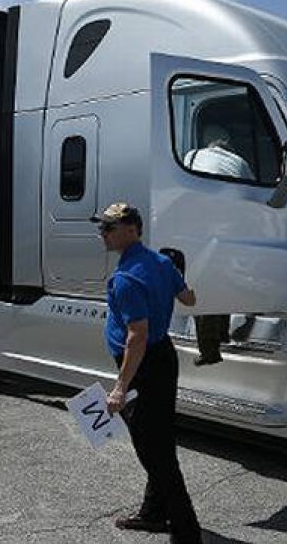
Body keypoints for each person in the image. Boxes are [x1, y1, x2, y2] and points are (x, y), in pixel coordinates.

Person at [92, 202, 203, 544]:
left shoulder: (126, 278)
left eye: (109, 228)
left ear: (131, 229)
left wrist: (119, 388)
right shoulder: (161, 262)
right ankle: (154, 513)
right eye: (103, 228)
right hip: (163, 359)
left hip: (143, 366)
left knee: (154, 452)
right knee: (160, 439)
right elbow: (189, 299)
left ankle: (187, 533)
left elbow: (136, 336)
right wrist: (175, 274)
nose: (103, 234)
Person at [182, 125, 249, 366]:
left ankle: (209, 351)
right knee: (223, 282)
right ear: (227, 143)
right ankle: (222, 334)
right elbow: (248, 194)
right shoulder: (239, 162)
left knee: (203, 289)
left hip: (201, 231)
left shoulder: (192, 156)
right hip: (229, 231)